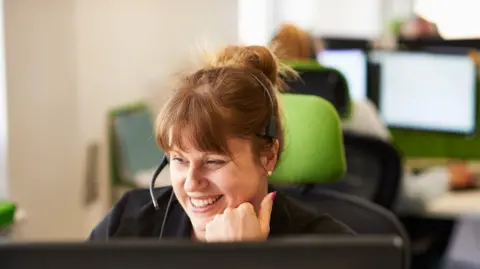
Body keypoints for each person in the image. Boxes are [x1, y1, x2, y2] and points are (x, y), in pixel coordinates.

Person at [89, 44, 354, 241]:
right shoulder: (127, 224)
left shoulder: (329, 248)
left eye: (213, 161)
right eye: (179, 160)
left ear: (268, 156)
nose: (191, 183)